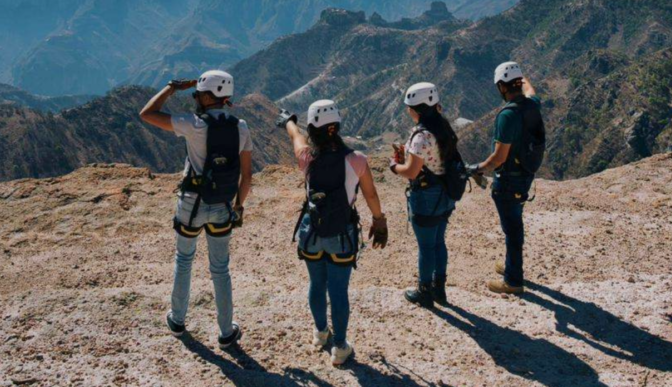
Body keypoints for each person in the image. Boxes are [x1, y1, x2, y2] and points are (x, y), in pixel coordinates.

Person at [139, 70, 252, 348]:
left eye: (198, 94)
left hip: (191, 204)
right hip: (223, 205)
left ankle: (177, 320)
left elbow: (147, 113)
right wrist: (238, 206)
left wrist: (171, 88)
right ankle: (226, 331)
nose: (196, 98)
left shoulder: (193, 124)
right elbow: (247, 176)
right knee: (220, 269)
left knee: (184, 260)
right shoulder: (241, 127)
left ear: (208, 96)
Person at [277, 100, 388, 367]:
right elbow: (371, 194)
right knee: (338, 291)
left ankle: (320, 333)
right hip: (342, 233)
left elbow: (296, 137)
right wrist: (379, 221)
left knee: (317, 284)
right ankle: (339, 347)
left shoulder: (307, 158)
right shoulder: (356, 159)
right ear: (337, 126)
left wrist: (289, 122)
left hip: (312, 233)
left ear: (313, 128)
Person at [467, 62, 545, 295]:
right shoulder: (532, 104)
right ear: (518, 83)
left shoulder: (507, 115)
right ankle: (512, 265)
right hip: (525, 175)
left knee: (512, 230)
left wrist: (477, 168)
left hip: (508, 180)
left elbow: (498, 158)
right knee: (514, 225)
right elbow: (530, 90)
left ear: (501, 86)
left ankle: (513, 281)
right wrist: (521, 75)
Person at [388, 82, 457, 308]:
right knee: (438, 242)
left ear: (416, 109)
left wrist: (394, 166)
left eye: (409, 107)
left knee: (426, 247)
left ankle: (424, 292)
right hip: (445, 192)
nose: (407, 110)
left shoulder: (421, 136)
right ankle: (439, 289)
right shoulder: (443, 127)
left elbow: (411, 171)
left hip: (426, 195)